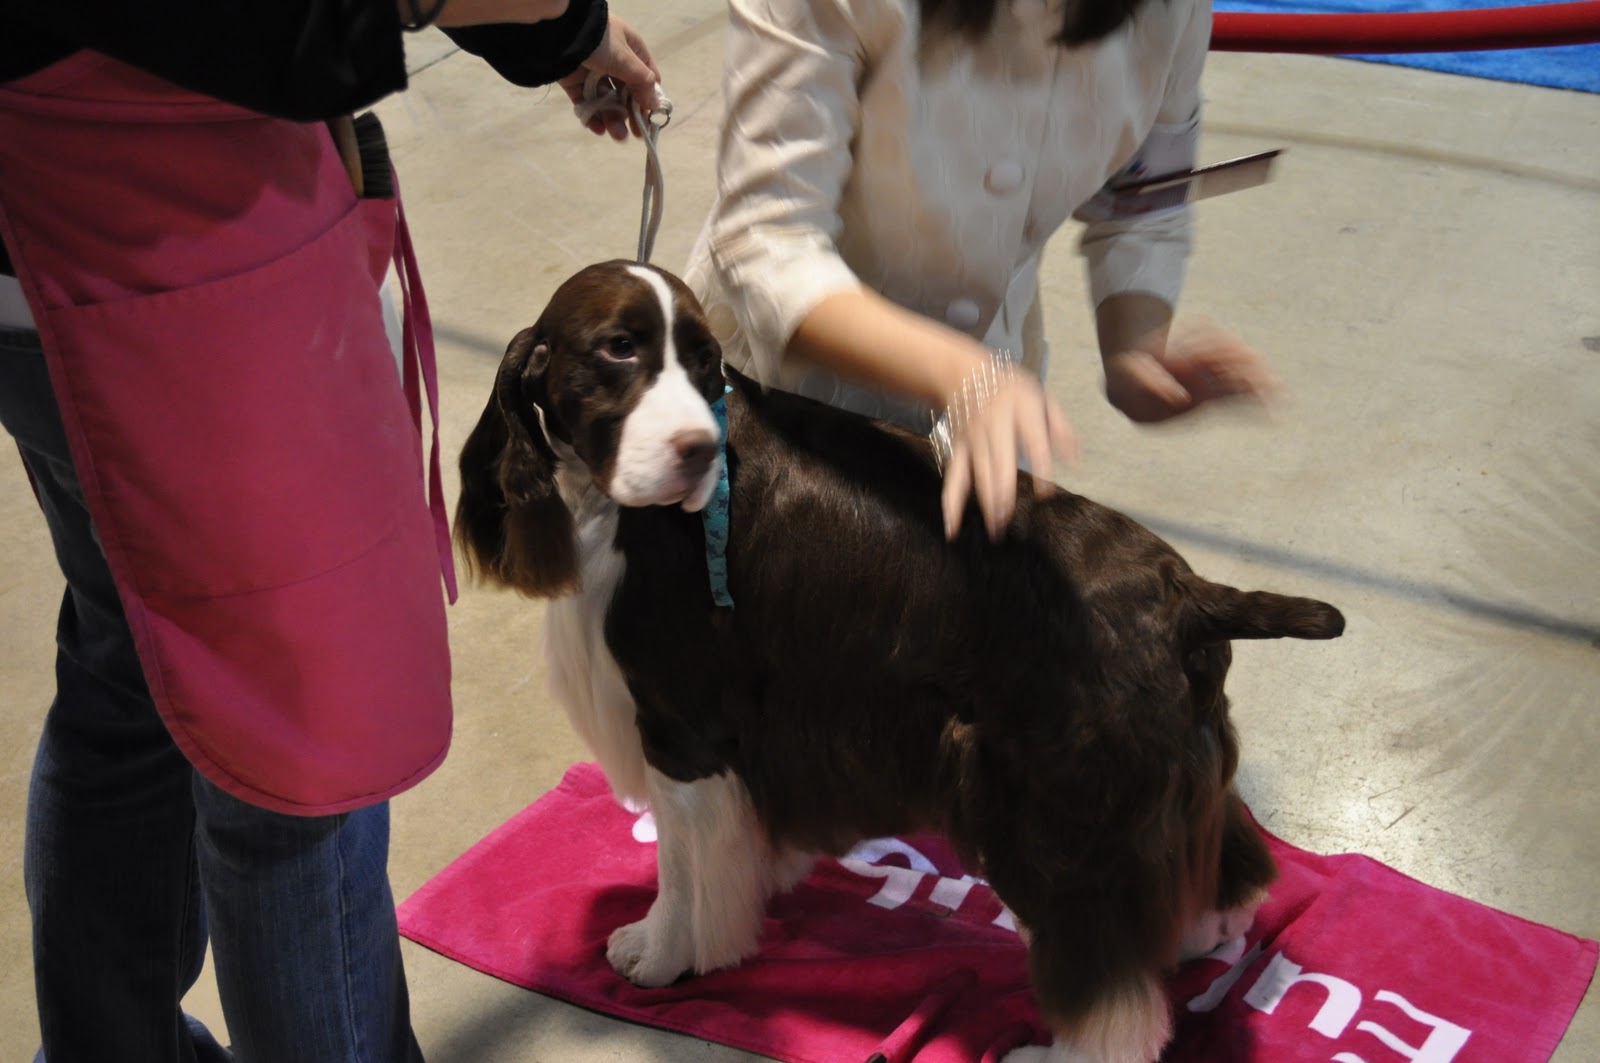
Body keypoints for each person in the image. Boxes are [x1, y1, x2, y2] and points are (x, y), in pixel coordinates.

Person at [0, 2, 661, 1060]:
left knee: (128, 668)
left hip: (34, 247)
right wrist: (554, 17)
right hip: (181, 260)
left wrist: (556, 34)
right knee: (300, 748)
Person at [684, 0, 1280, 541]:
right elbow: (767, 240)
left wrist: (1135, 353)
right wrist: (959, 372)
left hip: (990, 401)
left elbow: (1143, 203)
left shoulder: (1170, 9)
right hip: (776, 411)